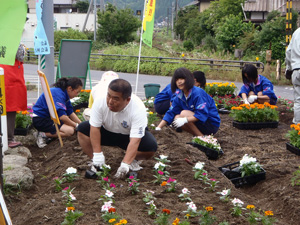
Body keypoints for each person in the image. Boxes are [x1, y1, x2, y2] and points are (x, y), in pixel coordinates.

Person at [77, 78, 157, 179]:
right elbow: (95, 128)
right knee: (82, 129)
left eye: (115, 98)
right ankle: (98, 164)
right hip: (107, 132)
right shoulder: (100, 102)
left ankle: (132, 161)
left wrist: (125, 164)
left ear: (127, 100)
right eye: (108, 96)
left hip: (128, 136)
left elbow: (135, 140)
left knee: (150, 146)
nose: (110, 101)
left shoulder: (137, 108)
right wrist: (97, 155)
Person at [155, 67, 220, 136]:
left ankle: (202, 138)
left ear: (189, 79)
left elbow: (202, 114)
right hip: (199, 122)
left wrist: (185, 120)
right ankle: (200, 136)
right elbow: (171, 112)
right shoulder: (179, 95)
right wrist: (158, 128)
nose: (179, 82)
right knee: (176, 118)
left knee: (183, 114)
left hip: (210, 123)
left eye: (182, 79)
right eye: (177, 80)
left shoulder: (197, 93)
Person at [32, 77, 83, 148]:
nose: (78, 94)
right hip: (41, 119)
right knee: (70, 131)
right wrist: (77, 126)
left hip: (49, 117)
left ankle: (49, 133)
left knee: (72, 127)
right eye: (77, 92)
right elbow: (62, 117)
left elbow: (70, 112)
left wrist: (81, 125)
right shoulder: (58, 95)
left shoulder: (64, 93)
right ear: (70, 89)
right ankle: (43, 134)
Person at [0, 44, 27, 148]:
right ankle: (9, 138)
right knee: (10, 109)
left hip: (4, 75)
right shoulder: (14, 41)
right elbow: (20, 56)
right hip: (11, 78)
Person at [286, 27, 300, 124]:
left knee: (298, 100)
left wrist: (289, 68)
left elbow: (288, 52)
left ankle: (297, 126)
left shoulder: (296, 32)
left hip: (296, 69)